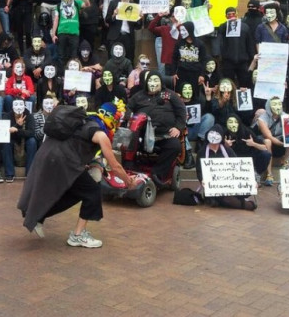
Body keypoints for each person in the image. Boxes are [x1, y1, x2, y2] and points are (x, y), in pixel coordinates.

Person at [17, 108, 139, 247]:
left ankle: (39, 216)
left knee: (75, 192)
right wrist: (128, 182)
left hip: (47, 154)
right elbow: (115, 166)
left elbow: (76, 145)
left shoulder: (80, 122)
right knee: (92, 191)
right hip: (63, 161)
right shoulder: (100, 134)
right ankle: (78, 235)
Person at [126, 70, 186, 187]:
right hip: (141, 134)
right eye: (151, 80)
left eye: (156, 80)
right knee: (127, 140)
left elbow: (181, 111)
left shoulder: (170, 95)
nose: (153, 83)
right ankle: (128, 168)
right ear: (147, 82)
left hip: (164, 135)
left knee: (175, 146)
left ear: (161, 82)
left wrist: (178, 128)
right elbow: (128, 108)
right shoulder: (138, 96)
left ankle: (157, 173)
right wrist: (129, 118)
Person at [196, 124, 257, 210]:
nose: (214, 136)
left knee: (244, 190)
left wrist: (252, 180)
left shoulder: (227, 150)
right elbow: (199, 170)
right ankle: (245, 205)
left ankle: (231, 201)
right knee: (225, 198)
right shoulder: (202, 152)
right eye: (212, 133)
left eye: (217, 134)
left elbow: (239, 166)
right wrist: (202, 180)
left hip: (229, 184)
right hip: (213, 187)